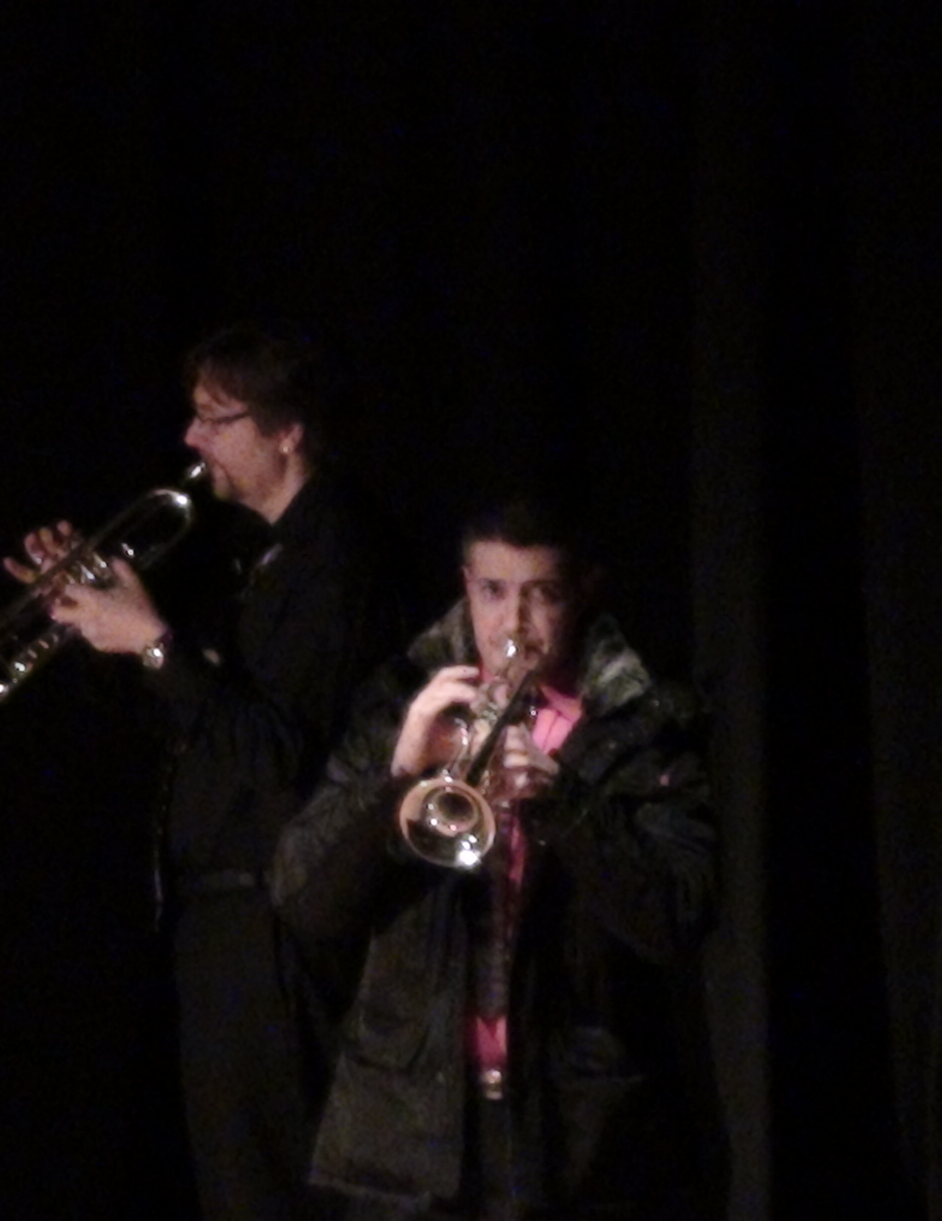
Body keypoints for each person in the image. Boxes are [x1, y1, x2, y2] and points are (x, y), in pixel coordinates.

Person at [7, 320, 408, 1221]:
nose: (191, 438)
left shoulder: (338, 559)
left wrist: (154, 644)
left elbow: (280, 758)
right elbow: (190, 726)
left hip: (279, 926)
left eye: (215, 418)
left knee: (273, 1194)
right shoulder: (252, 555)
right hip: (227, 925)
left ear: (287, 431)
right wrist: (90, 621)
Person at [267, 496, 722, 1219]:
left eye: (542, 594)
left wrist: (564, 802)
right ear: (465, 585)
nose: (514, 623)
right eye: (493, 591)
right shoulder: (401, 701)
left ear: (583, 591)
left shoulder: (642, 724)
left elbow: (678, 916)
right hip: (410, 1140)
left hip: (578, 1140)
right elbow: (302, 906)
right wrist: (397, 780)